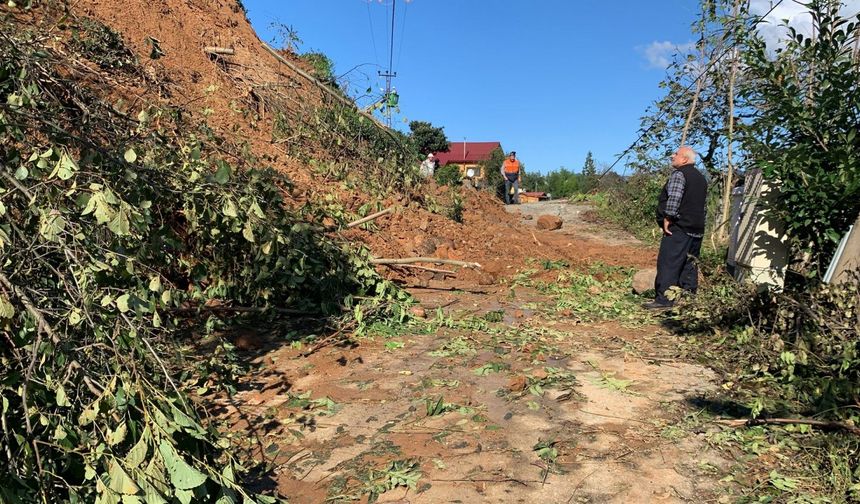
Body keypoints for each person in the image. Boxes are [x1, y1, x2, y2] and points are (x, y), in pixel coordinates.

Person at [644, 146, 708, 309]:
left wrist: (668, 218)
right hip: (697, 228)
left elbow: (675, 197)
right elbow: (703, 206)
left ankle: (664, 300)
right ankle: (688, 299)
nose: (672, 156)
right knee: (690, 263)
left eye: (676, 154)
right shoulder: (701, 178)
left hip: (679, 227)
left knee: (669, 262)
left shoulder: (680, 174)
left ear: (685, 159)